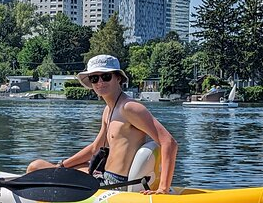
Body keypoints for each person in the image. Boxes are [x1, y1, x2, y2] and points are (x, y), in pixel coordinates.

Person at [27, 54, 178, 194]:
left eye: (106, 77)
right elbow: (95, 148)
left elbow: (169, 142)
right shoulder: (109, 110)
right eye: (94, 78)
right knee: (42, 167)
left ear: (118, 78)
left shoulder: (129, 107)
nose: (100, 82)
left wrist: (163, 188)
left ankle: (33, 196)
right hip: (103, 176)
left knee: (36, 167)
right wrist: (60, 166)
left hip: (113, 184)